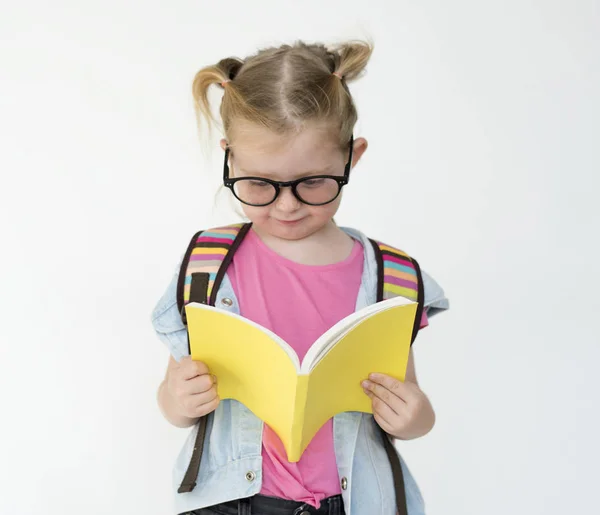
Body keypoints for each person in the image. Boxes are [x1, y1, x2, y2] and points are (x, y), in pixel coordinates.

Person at [151, 40, 449, 515]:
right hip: (233, 502)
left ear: (352, 157)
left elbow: (407, 404)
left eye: (313, 182)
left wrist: (414, 417)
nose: (286, 205)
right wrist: (180, 397)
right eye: (259, 184)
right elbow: (173, 406)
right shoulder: (209, 264)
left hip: (350, 503)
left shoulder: (390, 276)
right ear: (230, 159)